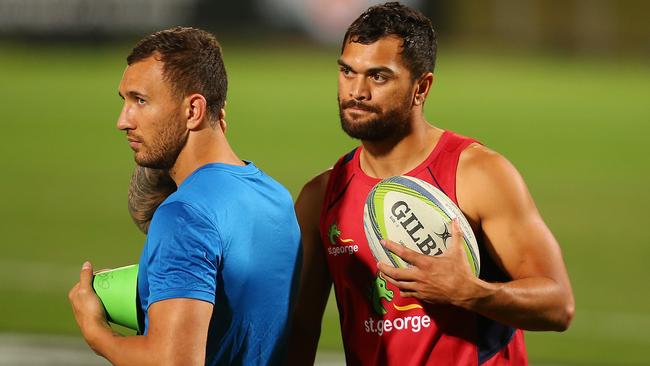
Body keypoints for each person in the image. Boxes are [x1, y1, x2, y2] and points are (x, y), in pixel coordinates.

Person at [287, 2, 575, 365]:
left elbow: (558, 304)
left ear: (421, 87)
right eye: (347, 72)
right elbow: (300, 327)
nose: (356, 91)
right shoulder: (322, 197)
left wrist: (472, 293)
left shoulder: (477, 174)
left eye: (378, 76)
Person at [68, 27, 302, 366]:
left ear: (193, 110)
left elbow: (173, 361)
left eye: (140, 100)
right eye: (125, 101)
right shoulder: (276, 197)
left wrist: (97, 333)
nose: (123, 121)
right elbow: (240, 309)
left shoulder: (183, 215)